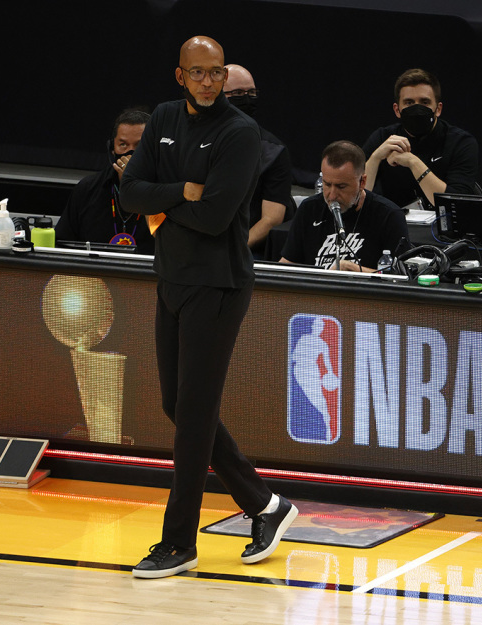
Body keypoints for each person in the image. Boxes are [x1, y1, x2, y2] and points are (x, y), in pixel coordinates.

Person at [120, 35, 298, 579]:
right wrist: (183, 192)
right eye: (196, 73)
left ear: (225, 77)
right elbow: (129, 192)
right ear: (180, 76)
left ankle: (179, 543)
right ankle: (266, 506)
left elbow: (218, 217)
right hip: (171, 277)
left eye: (215, 73)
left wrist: (163, 199)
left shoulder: (240, 132)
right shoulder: (165, 118)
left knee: (192, 416)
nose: (206, 81)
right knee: (180, 407)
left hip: (218, 285)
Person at [280, 140, 409, 271]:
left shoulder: (389, 216)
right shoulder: (309, 208)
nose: (332, 195)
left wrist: (350, 268)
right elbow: (287, 264)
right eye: (327, 184)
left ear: (362, 182)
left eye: (341, 187)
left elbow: (402, 278)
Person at [362, 68, 479, 210]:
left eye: (424, 102)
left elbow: (457, 205)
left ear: (438, 109)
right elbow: (356, 198)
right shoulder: (382, 138)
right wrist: (375, 158)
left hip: (442, 227)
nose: (417, 109)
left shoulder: (461, 143)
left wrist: (413, 162)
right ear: (397, 110)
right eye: (409, 103)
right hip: (395, 226)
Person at [55, 109, 155, 254]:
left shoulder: (166, 190)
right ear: (112, 149)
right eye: (123, 145)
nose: (131, 154)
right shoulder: (87, 189)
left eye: (139, 146)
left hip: (147, 275)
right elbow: (60, 245)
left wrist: (140, 185)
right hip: (93, 274)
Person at [224, 63, 295, 257]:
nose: (247, 99)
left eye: (252, 93)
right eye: (237, 94)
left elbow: (271, 219)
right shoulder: (198, 143)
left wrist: (233, 250)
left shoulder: (273, 152)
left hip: (247, 250)